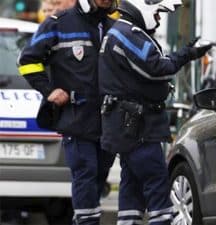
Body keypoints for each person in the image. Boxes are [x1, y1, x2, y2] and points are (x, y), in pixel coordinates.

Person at [98, 0, 211, 224]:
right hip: (137, 127)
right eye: (158, 14)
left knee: (132, 184)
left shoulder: (123, 31)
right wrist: (188, 53)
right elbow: (157, 68)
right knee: (157, 183)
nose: (159, 21)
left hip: (128, 125)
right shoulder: (126, 33)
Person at [18, 0, 118, 224]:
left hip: (108, 122)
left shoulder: (116, 29)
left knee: (98, 180)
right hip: (76, 119)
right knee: (86, 174)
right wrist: (49, 90)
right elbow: (27, 60)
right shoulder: (58, 24)